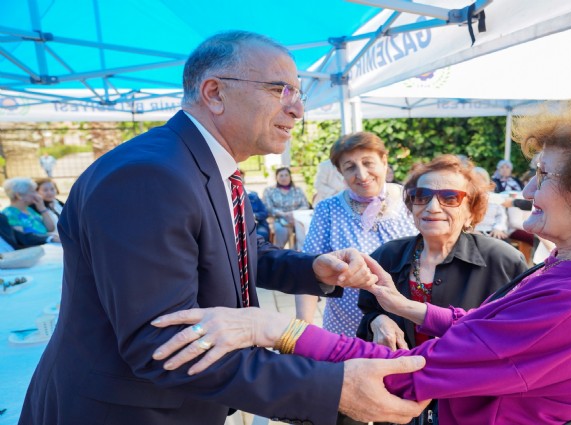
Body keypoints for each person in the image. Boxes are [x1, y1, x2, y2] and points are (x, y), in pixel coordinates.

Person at [151, 100, 571, 424]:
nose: (527, 188)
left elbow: (406, 374)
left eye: (544, 175)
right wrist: (402, 305)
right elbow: (493, 331)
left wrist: (271, 328)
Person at [20, 31, 426, 425]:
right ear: (215, 93)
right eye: (279, 90)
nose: (297, 109)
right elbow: (163, 342)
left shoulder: (201, 165)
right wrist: (331, 388)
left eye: (297, 93)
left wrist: (311, 269)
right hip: (128, 411)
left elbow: (236, 253)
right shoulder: (150, 176)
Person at [356, 155, 527, 423]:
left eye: (450, 197)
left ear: (471, 210)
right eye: (421, 196)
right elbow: (368, 308)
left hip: (469, 401)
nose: (432, 207)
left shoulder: (503, 261)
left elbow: (518, 338)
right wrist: (378, 321)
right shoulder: (386, 255)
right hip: (400, 393)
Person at [294, 131, 417, 342]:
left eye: (368, 163)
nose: (361, 174)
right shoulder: (328, 209)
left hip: (410, 324)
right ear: (340, 172)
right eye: (350, 167)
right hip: (347, 329)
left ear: (384, 162)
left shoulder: (413, 200)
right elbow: (308, 271)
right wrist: (301, 333)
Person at [263, 166, 310, 248]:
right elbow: (268, 208)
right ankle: (279, 253)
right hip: (278, 218)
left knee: (305, 231)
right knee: (281, 230)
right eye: (281, 175)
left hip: (297, 218)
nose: (284, 178)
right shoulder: (269, 190)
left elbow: (305, 205)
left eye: (286, 175)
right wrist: (284, 214)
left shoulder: (297, 190)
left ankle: (298, 253)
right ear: (276, 177)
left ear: (290, 177)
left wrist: (293, 214)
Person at [472, 166, 508, 239]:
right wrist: (472, 230)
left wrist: (498, 228)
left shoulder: (496, 198)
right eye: (475, 179)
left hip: (492, 230)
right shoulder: (467, 198)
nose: (478, 182)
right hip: (473, 231)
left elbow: (501, 216)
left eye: (481, 179)